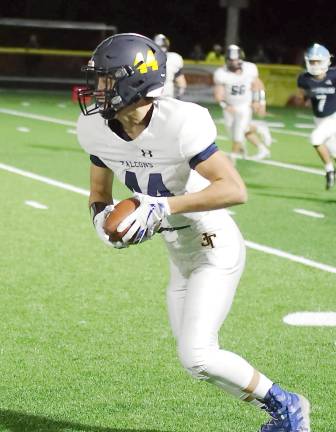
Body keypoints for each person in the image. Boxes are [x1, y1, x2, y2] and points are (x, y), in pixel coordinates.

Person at [76, 33, 310, 431]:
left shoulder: (181, 122)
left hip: (213, 243)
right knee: (195, 363)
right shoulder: (95, 128)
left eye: (107, 79)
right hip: (178, 251)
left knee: (199, 354)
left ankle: (289, 409)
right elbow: (100, 194)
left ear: (135, 81)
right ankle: (280, 410)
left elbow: (234, 189)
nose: (98, 89)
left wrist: (161, 206)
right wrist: (101, 220)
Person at [213, 44, 271, 160]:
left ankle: (233, 157)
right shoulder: (221, 73)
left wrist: (260, 102)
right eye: (229, 60)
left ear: (240, 59)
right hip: (230, 106)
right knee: (233, 132)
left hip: (245, 105)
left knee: (239, 132)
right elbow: (218, 94)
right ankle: (261, 141)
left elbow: (258, 85)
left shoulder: (250, 68)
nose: (232, 62)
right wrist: (225, 105)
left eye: (234, 60)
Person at [297, 43, 336, 189]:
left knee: (315, 138)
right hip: (319, 119)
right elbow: (302, 99)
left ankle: (329, 170)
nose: (315, 64)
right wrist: (305, 98)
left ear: (326, 61)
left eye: (318, 61)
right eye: (312, 61)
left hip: (333, 117)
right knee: (334, 151)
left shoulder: (334, 75)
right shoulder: (304, 78)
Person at [153, 33, 187, 99]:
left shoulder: (146, 58)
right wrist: (179, 94)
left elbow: (181, 82)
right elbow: (182, 84)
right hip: (165, 95)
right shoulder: (174, 58)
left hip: (154, 95)